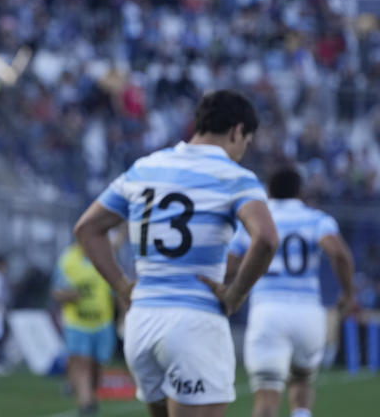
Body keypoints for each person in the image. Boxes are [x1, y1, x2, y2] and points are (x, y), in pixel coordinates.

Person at [73, 89, 279, 417]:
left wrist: (122, 286)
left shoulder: (144, 168)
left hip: (141, 323)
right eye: (247, 142)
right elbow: (266, 238)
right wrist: (236, 294)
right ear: (237, 131)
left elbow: (86, 229)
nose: (243, 151)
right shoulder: (235, 177)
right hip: (194, 322)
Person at [227, 166, 355, 417]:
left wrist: (232, 288)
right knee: (302, 381)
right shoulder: (316, 219)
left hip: (268, 310)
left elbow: (230, 264)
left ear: (268, 191)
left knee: (266, 396)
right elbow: (339, 253)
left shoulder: (255, 222)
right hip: (308, 313)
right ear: (301, 191)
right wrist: (348, 293)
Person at [51, 238, 115, 416]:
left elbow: (115, 289)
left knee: (96, 365)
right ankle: (85, 404)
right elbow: (56, 291)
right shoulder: (67, 260)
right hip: (76, 323)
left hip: (102, 322)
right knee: (81, 362)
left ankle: (89, 395)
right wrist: (67, 295)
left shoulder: (106, 258)